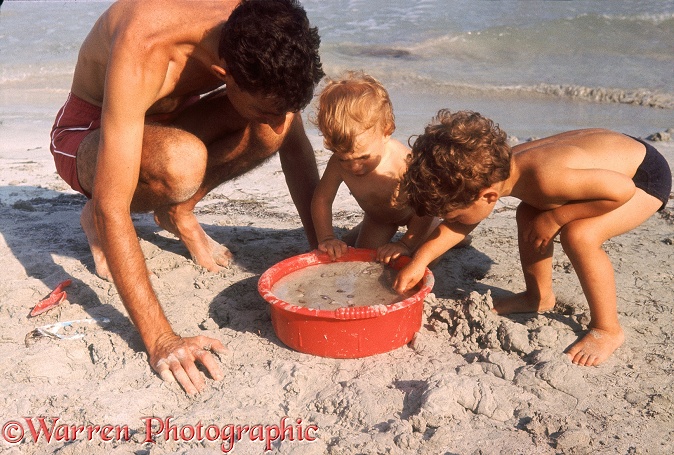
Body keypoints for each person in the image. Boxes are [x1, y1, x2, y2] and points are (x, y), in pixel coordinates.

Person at [49, 0, 324, 394]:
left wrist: (323, 249)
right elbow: (115, 208)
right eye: (266, 107)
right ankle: (91, 214)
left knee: (273, 131)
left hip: (166, 123)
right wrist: (162, 340)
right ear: (222, 73)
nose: (279, 116)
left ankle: (178, 212)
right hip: (89, 135)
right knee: (181, 164)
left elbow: (293, 147)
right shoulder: (144, 47)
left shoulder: (258, 28)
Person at [395, 109, 671, 367]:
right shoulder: (491, 172)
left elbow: (621, 191)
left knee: (579, 235)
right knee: (529, 214)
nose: (449, 221)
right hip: (606, 161)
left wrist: (557, 218)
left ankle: (607, 328)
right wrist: (420, 260)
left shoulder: (545, 178)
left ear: (487, 197)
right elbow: (460, 226)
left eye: (451, 215)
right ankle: (537, 297)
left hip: (642, 177)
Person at [310, 72, 441, 263]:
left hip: (417, 217)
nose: (355, 167)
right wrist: (327, 238)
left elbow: (428, 205)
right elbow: (322, 199)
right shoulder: (337, 164)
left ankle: (453, 238)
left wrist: (405, 244)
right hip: (378, 219)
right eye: (345, 159)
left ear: (386, 131)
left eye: (363, 157)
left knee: (424, 257)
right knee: (364, 259)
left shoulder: (403, 161)